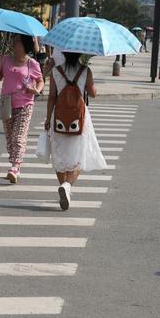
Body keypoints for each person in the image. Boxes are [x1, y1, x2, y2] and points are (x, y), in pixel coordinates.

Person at [44, 52, 107, 210]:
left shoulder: (56, 71)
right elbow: (92, 94)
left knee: (59, 156)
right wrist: (92, 86)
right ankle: (67, 186)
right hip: (79, 119)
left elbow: (52, 97)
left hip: (58, 118)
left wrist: (47, 119)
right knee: (79, 156)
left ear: (64, 53)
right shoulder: (85, 71)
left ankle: (64, 186)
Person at [0, 34, 44, 184]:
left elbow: (40, 80)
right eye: (13, 41)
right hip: (6, 103)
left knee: (18, 136)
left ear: (25, 45)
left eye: (17, 42)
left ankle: (15, 167)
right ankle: (16, 163)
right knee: (10, 138)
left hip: (25, 104)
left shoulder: (32, 64)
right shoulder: (6, 60)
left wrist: (36, 90)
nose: (13, 44)